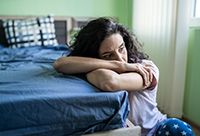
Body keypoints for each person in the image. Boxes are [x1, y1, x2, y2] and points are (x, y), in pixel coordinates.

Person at [53, 17, 195, 136]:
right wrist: (121, 66)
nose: (120, 58)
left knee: (177, 128)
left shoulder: (146, 68)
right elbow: (60, 64)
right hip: (126, 132)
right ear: (94, 56)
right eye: (108, 55)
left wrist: (110, 64)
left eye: (121, 48)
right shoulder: (115, 66)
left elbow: (110, 82)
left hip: (157, 129)